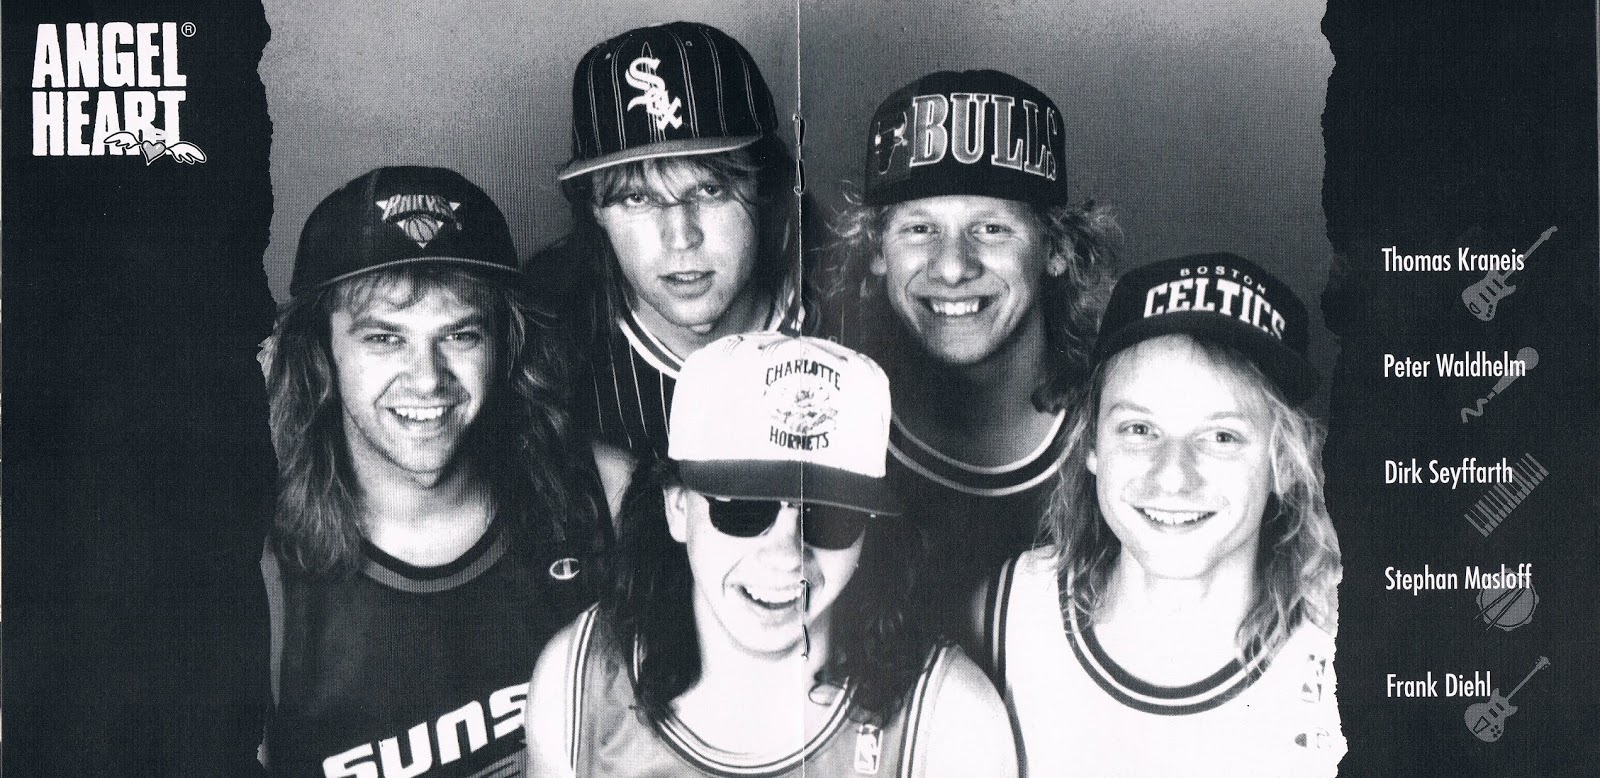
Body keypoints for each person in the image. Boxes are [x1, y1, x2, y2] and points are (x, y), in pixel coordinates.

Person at [525, 332, 1017, 777]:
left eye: (831, 516)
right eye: (745, 509)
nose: (787, 555)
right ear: (677, 508)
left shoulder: (950, 722)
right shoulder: (577, 685)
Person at [259, 166, 607, 777]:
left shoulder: (602, 492)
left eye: (460, 335)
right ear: (322, 353)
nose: (427, 379)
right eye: (384, 339)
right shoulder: (258, 573)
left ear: (506, 344)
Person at [980, 254, 1345, 776]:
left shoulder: (1348, 659)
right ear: (1091, 444)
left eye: (1222, 436)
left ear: (1284, 462)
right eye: (1139, 429)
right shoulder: (1004, 614)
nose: (1173, 476)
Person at [824, 69, 1119, 631]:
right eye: (919, 230)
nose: (954, 267)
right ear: (876, 251)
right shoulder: (828, 420)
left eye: (991, 229)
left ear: (1057, 249)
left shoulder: (1122, 430)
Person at [532, 21, 804, 481]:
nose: (680, 237)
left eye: (711, 189)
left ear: (765, 185)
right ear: (594, 209)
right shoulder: (549, 345)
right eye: (637, 198)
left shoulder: (843, 307)